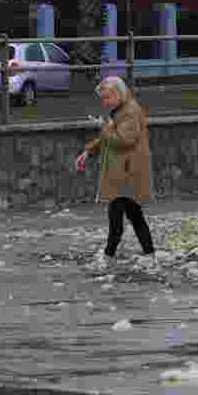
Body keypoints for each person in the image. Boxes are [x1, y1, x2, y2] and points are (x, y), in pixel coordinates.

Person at [74, 76, 156, 270]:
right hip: (124, 173)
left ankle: (109, 256)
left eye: (106, 98)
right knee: (132, 215)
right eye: (102, 99)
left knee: (118, 215)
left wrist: (102, 126)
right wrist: (88, 151)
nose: (104, 103)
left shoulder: (131, 112)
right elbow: (109, 139)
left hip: (127, 173)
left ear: (119, 94)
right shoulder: (120, 110)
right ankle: (148, 254)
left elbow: (122, 140)